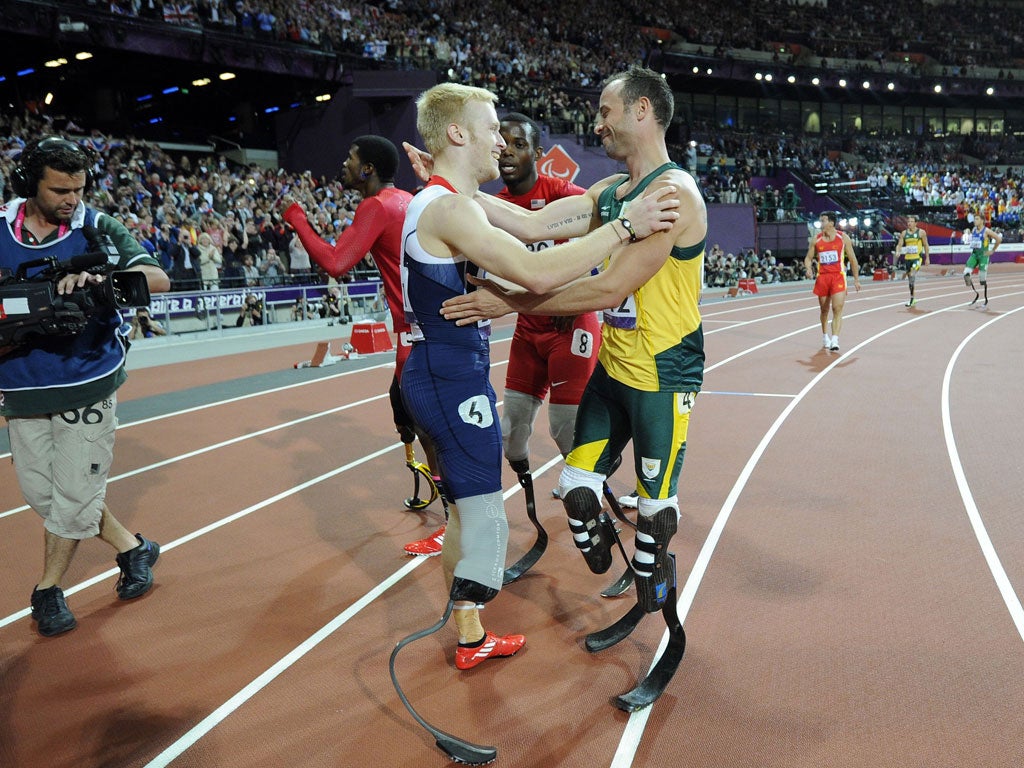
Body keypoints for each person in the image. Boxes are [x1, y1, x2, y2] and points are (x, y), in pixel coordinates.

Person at [429, 67, 703, 617]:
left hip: (663, 374)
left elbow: (608, 286)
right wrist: (452, 183)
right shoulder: (610, 193)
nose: (597, 124)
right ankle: (637, 559)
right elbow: (531, 226)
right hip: (614, 367)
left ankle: (657, 581)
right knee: (577, 491)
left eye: (606, 112)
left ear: (642, 111)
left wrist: (507, 301)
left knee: (653, 506)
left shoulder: (673, 196)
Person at [0, 136, 170, 637]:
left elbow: (155, 277)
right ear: (29, 184)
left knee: (74, 492)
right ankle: (133, 549)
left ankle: (48, 589)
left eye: (78, 188)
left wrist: (103, 285)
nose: (72, 199)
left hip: (88, 380)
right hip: (21, 384)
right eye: (59, 190)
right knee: (44, 493)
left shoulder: (96, 226)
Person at [281, 136, 443, 543]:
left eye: (351, 159)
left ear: (368, 168)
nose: (344, 164)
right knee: (404, 408)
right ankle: (438, 494)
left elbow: (337, 263)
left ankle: (452, 519)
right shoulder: (406, 198)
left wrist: (298, 218)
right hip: (427, 329)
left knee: (431, 429)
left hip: (416, 335)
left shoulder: (376, 206)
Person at [492, 112, 598, 503]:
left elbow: (609, 234)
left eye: (518, 145)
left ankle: (588, 490)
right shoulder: (496, 206)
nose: (508, 152)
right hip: (527, 329)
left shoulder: (565, 194)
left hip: (571, 326)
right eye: (502, 144)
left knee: (565, 429)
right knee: (511, 438)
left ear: (538, 153)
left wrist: (579, 292)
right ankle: (546, 481)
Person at [804, 212, 860, 352]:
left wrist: (856, 280)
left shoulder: (843, 238)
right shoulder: (816, 240)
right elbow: (808, 258)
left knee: (837, 308)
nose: (820, 224)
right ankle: (825, 336)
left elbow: (853, 260)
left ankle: (835, 339)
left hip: (838, 277)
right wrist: (808, 269)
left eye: (823, 221)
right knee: (824, 310)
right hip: (822, 277)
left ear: (831, 223)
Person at [962, 216, 1002, 306]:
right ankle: (973, 290)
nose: (974, 221)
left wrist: (992, 250)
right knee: (966, 273)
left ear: (982, 221)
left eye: (977, 219)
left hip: (983, 255)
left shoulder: (987, 230)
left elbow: (999, 239)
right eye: (974, 219)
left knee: (982, 280)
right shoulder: (973, 230)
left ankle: (985, 299)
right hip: (974, 254)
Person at [893, 214, 930, 307]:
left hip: (917, 258)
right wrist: (898, 251)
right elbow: (899, 244)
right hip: (907, 259)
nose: (909, 223)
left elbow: (926, 245)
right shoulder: (904, 233)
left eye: (911, 221)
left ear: (916, 223)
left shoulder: (921, 233)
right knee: (910, 280)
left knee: (912, 274)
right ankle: (912, 298)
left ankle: (912, 298)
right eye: (908, 221)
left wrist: (927, 257)